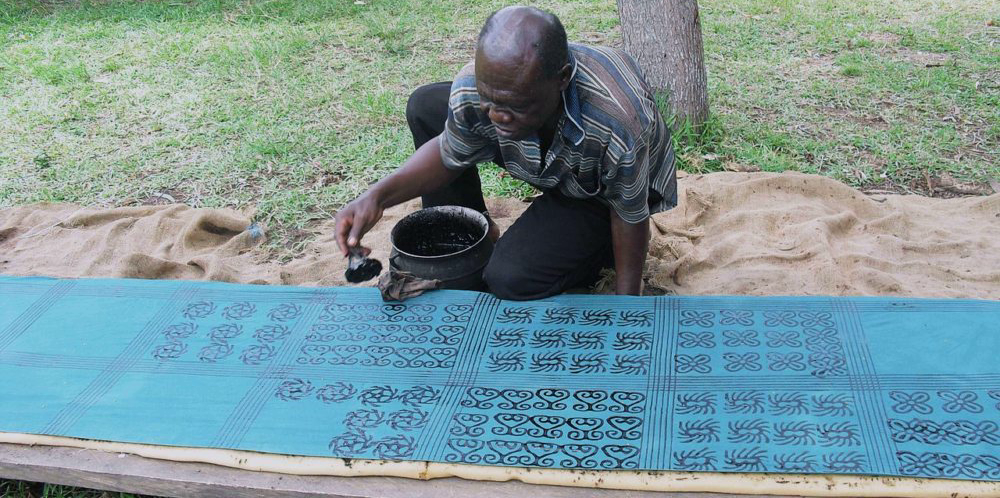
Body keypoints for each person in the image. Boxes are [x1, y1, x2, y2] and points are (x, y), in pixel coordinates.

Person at [334, 5, 676, 301]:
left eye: (515, 103)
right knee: (428, 106)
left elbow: (630, 214)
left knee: (510, 277)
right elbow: (449, 151)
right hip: (549, 145)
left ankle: (592, 247)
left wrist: (629, 303)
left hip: (599, 191)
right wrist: (378, 197)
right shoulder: (481, 89)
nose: (497, 115)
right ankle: (467, 242)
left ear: (562, 79)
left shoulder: (617, 124)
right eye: (490, 97)